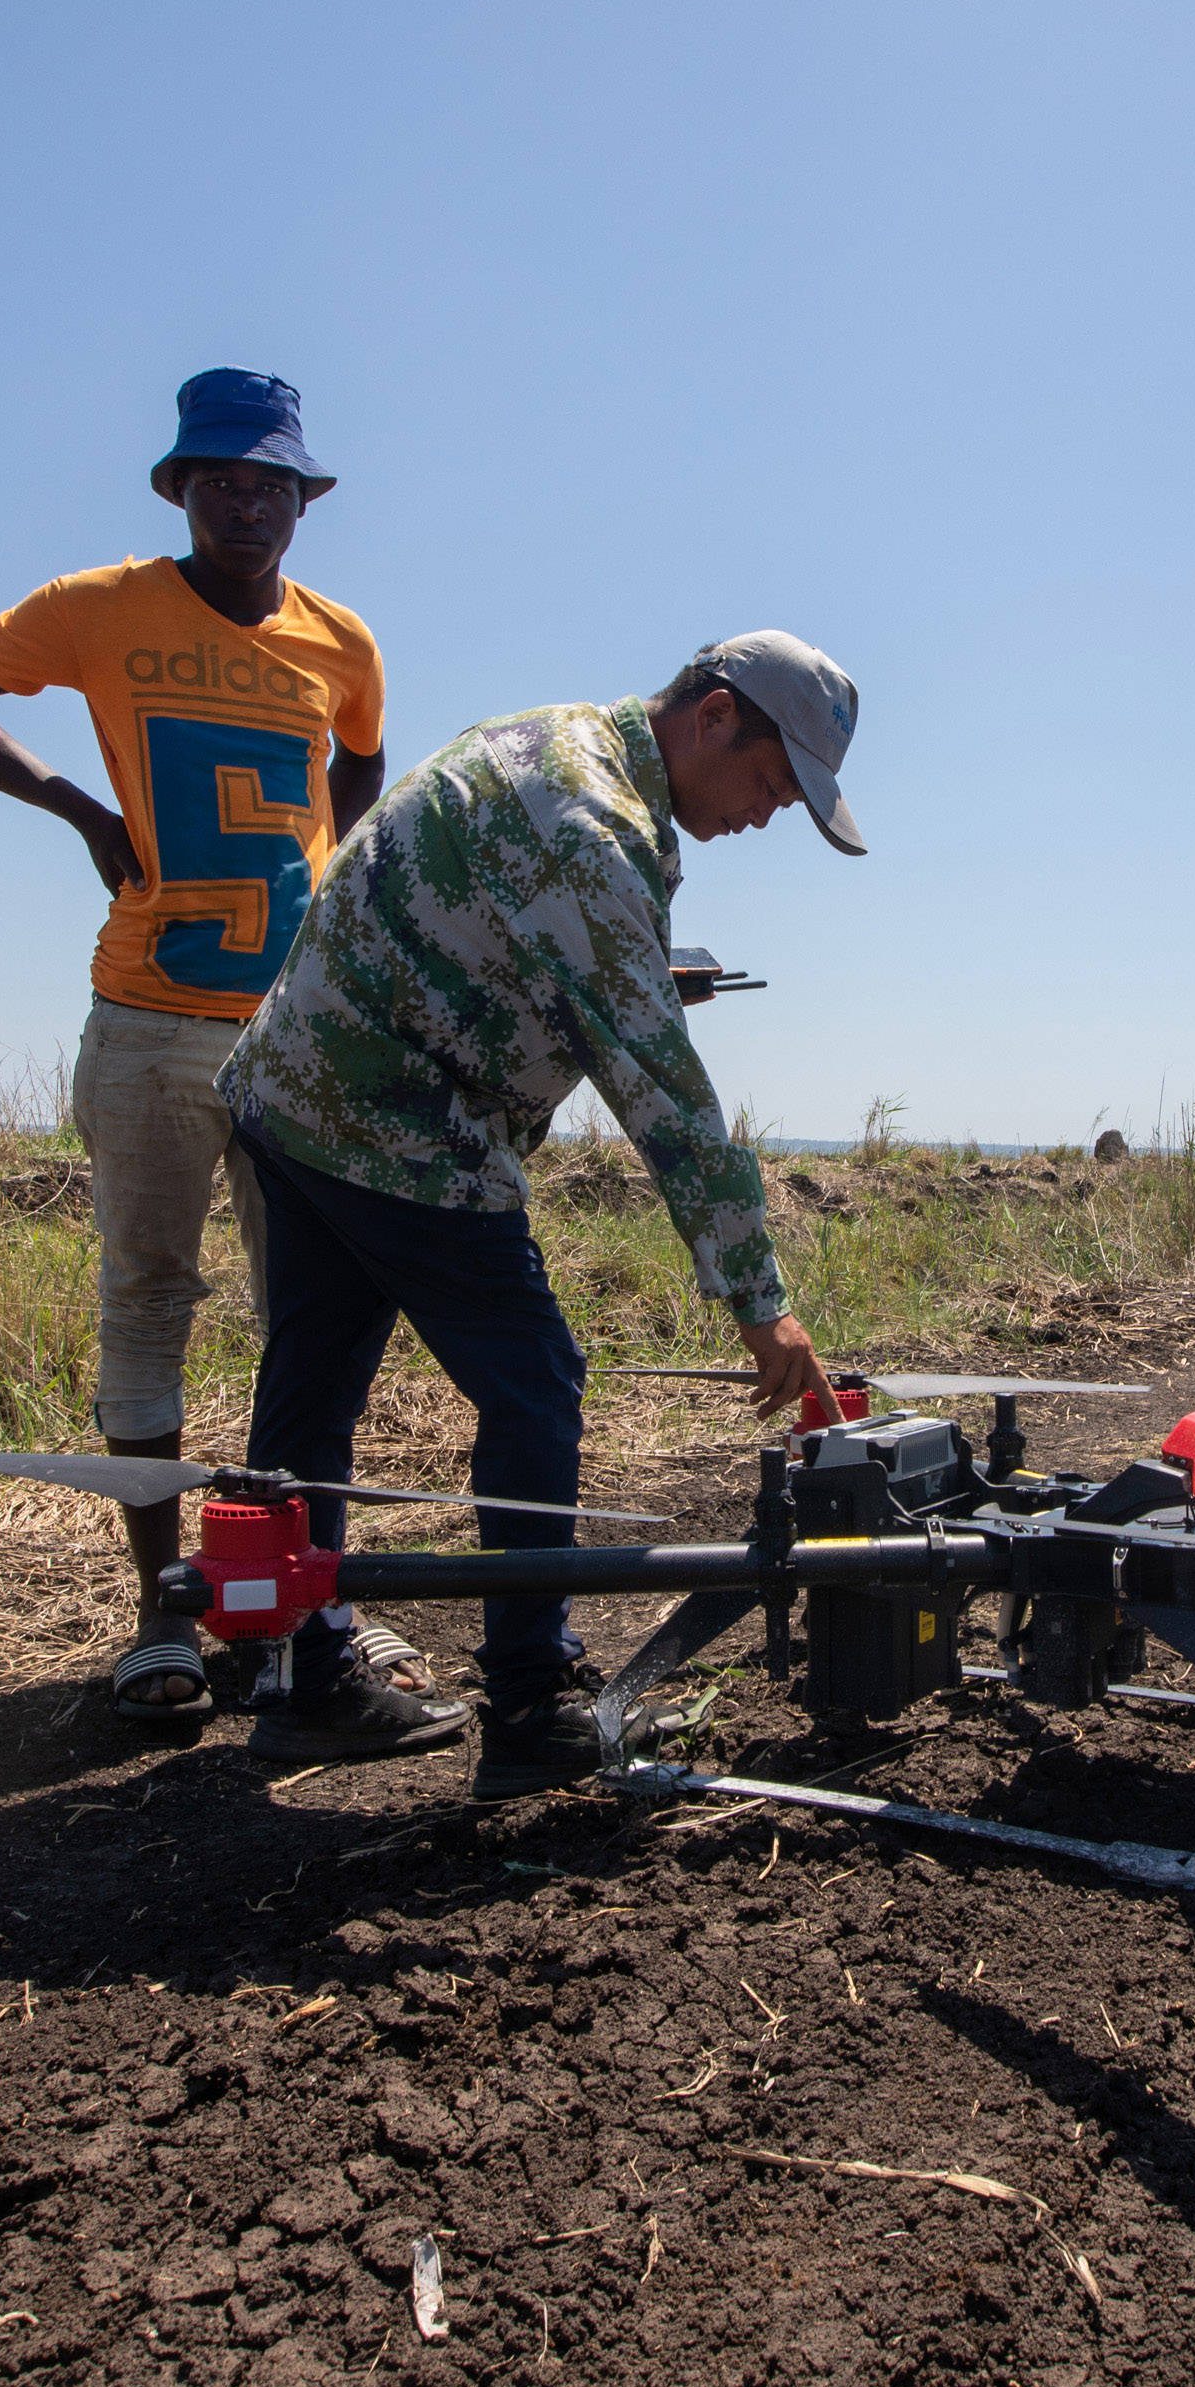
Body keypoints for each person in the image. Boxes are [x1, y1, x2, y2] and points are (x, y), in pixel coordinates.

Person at [219, 634, 856, 1795]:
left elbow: (492, 927)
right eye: (772, 784)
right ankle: (530, 1699)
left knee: (312, 1379)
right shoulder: (596, 828)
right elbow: (662, 1091)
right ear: (716, 717)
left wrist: (619, 981)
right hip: (393, 1123)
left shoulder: (557, 743)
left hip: (292, 1091)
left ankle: (299, 1678)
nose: (766, 816)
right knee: (536, 1383)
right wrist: (762, 1304)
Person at [0, 371, 407, 1746]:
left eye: (276, 481)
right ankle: (164, 1615)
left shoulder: (341, 640)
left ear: (308, 497)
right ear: (180, 488)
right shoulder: (99, 608)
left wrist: (326, 871)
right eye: (224, 477)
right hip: (150, 1025)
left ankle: (292, 1601)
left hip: (291, 1039)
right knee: (148, 1302)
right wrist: (71, 804)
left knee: (307, 1320)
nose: (251, 500)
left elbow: (359, 767)